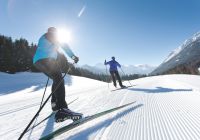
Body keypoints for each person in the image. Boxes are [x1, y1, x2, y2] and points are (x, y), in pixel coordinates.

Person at [33, 27, 82, 122]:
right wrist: (73, 56)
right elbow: (64, 46)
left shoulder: (44, 37)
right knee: (59, 80)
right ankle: (62, 109)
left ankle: (55, 105)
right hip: (46, 60)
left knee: (57, 80)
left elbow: (48, 48)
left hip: (38, 61)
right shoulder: (51, 36)